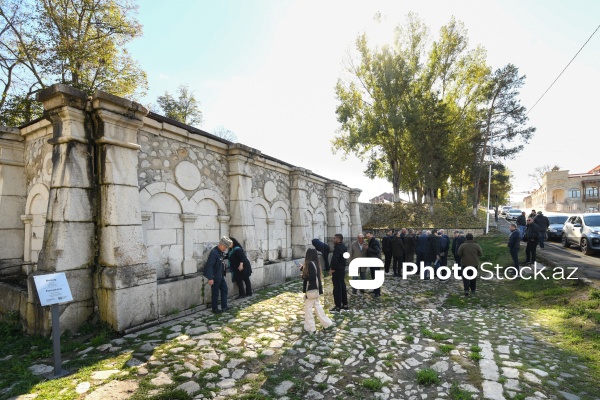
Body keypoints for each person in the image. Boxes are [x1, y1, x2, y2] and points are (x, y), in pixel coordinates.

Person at [301, 248, 333, 334]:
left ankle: (311, 328)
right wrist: (302, 269)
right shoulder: (315, 263)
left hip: (311, 289)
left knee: (308, 309)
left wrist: (304, 276)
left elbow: (311, 277)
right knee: (318, 307)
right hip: (315, 289)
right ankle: (327, 323)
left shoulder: (310, 264)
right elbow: (313, 274)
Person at [204, 236, 232, 313]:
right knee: (215, 293)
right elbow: (209, 266)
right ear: (221, 245)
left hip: (221, 275)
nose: (225, 249)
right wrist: (210, 278)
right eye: (225, 247)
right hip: (215, 276)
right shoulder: (214, 253)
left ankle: (224, 306)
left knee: (224, 289)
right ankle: (214, 308)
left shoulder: (220, 252)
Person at [329, 233, 349, 312]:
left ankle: (338, 305)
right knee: (342, 286)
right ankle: (345, 304)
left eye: (334, 238)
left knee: (337, 288)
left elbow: (335, 259)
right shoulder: (344, 247)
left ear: (338, 239)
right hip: (342, 269)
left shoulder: (337, 248)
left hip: (337, 270)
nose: (333, 240)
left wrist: (332, 269)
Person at [365, 231, 382, 298]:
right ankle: (375, 290)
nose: (367, 237)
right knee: (373, 276)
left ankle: (377, 293)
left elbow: (376, 251)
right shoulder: (371, 241)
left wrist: (368, 248)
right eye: (367, 236)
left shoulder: (375, 241)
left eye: (368, 236)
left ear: (372, 235)